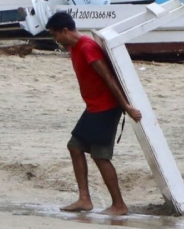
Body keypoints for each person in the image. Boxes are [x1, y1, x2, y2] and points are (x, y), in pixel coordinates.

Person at [46, 12, 142, 216]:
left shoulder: (87, 47)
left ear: (65, 31)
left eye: (55, 35)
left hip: (106, 107)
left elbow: (109, 78)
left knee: (100, 155)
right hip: (93, 107)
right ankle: (84, 199)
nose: (56, 40)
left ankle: (119, 205)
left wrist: (126, 107)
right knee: (75, 146)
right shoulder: (74, 47)